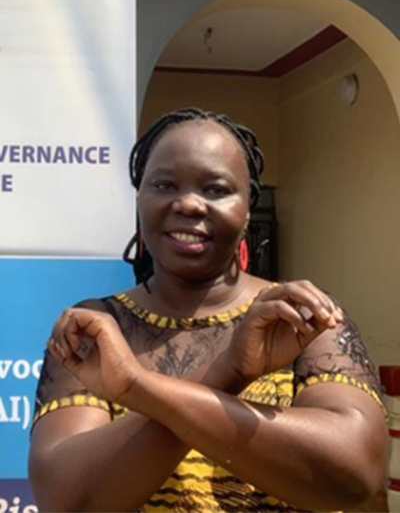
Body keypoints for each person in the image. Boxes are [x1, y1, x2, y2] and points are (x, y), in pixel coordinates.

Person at [29, 108, 388, 513]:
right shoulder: (97, 329)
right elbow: (69, 500)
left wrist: (137, 387)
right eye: (164, 184)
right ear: (139, 199)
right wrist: (227, 372)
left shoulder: (301, 317)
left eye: (215, 189)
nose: (187, 203)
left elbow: (354, 475)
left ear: (247, 208)